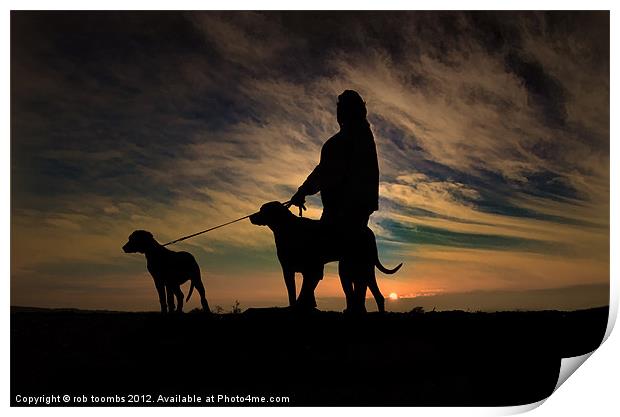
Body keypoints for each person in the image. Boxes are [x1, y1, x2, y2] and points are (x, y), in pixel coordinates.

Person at [289, 90, 381, 312]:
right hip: (348, 209)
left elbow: (327, 173)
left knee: (323, 252)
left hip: (346, 210)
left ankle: (310, 302)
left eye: (342, 109)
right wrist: (303, 191)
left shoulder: (349, 140)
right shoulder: (358, 138)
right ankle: (349, 306)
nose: (339, 113)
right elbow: (325, 172)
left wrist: (304, 191)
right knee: (343, 256)